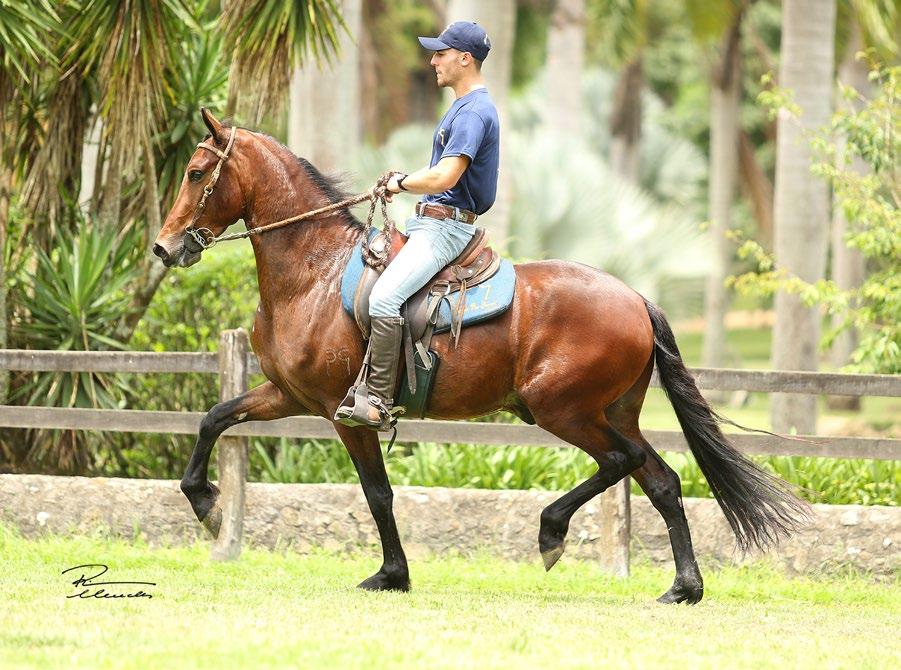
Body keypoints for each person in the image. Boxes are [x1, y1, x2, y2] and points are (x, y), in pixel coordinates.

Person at [335, 21, 501, 430]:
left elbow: (445, 178)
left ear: (465, 58)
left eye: (440, 54)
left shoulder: (474, 111)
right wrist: (404, 181)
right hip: (430, 223)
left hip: (445, 230)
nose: (433, 61)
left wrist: (401, 182)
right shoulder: (463, 107)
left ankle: (375, 399)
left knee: (385, 300)